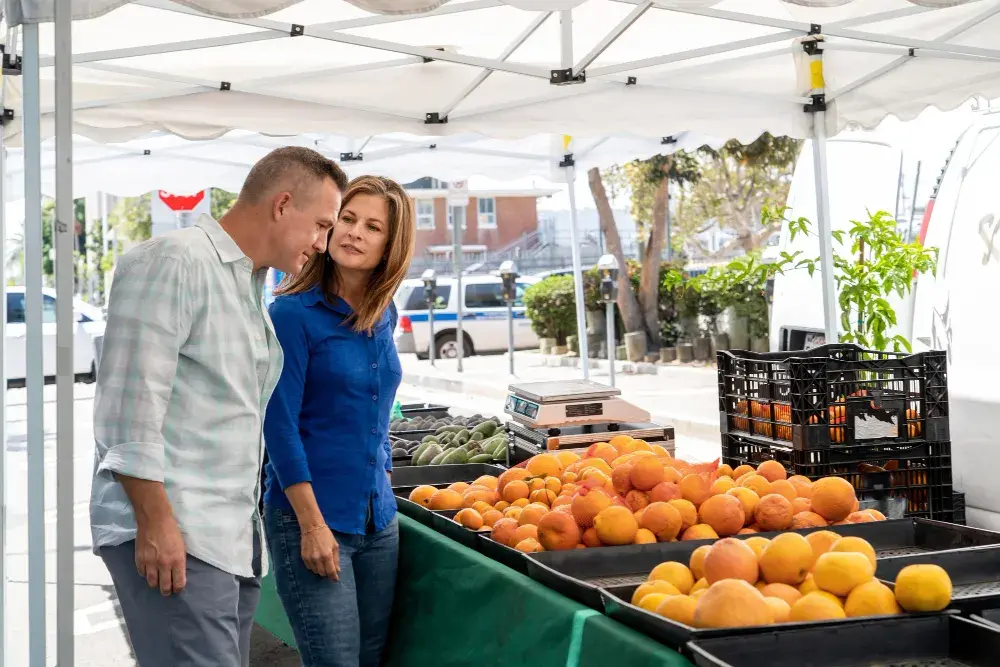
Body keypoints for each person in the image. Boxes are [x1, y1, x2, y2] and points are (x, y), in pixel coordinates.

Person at [90, 147, 350, 667]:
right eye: (320, 225)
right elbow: (128, 410)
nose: (323, 245)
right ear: (281, 205)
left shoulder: (247, 283)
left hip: (228, 541)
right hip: (179, 536)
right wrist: (157, 524)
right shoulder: (175, 260)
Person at [263, 175, 415, 667]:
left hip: (378, 521)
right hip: (311, 519)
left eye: (373, 227)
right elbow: (279, 427)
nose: (354, 233)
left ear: (391, 245)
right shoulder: (291, 314)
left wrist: (384, 476)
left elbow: (376, 406)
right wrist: (311, 526)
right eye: (347, 219)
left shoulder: (383, 312)